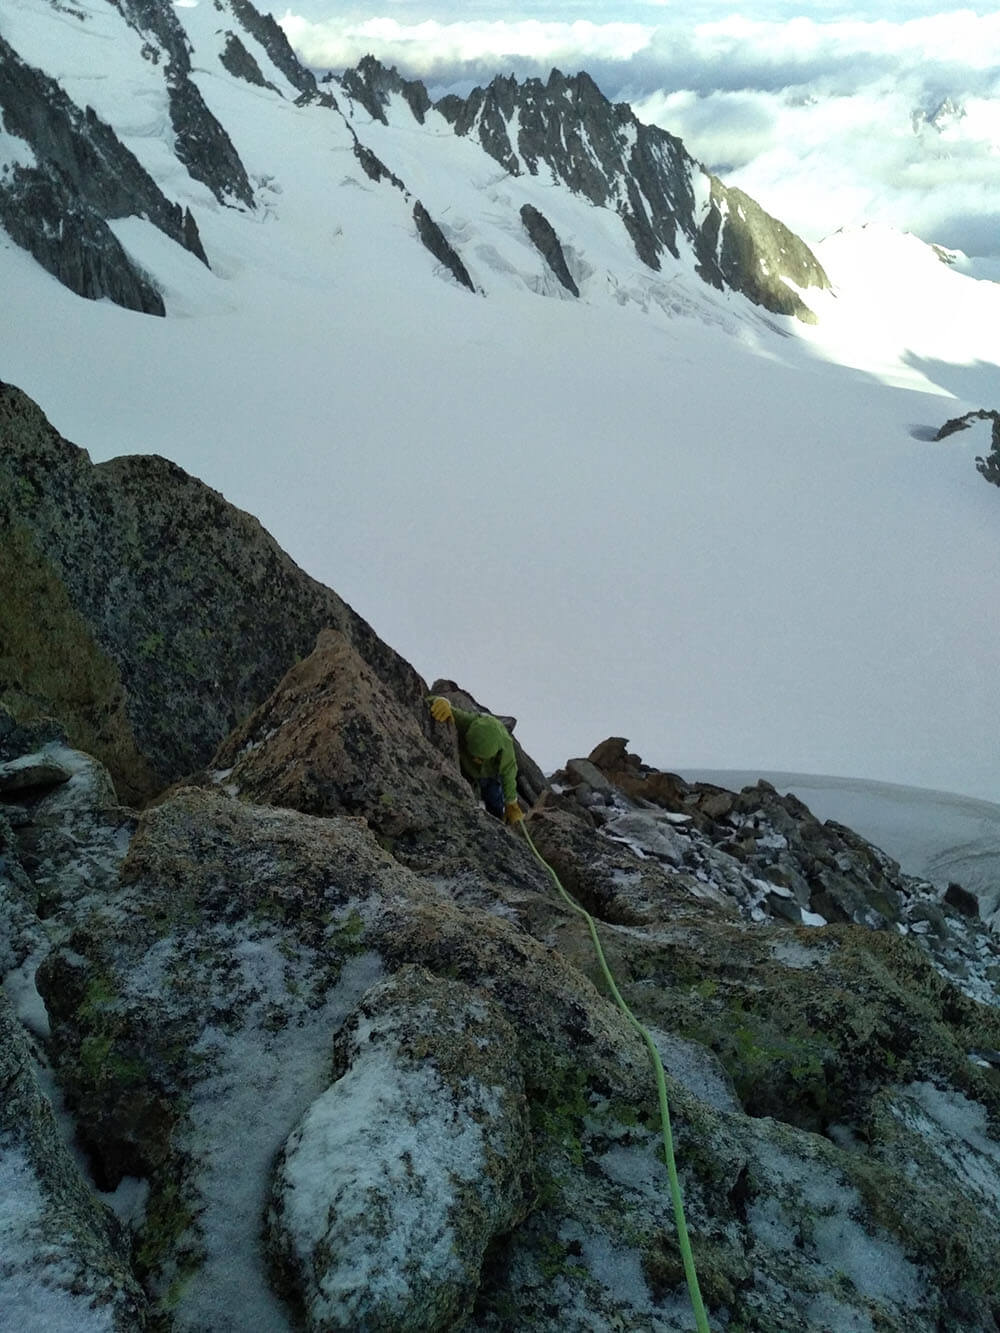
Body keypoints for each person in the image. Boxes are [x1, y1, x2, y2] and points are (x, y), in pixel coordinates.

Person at [428, 696, 524, 824]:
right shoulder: (467, 723)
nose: (476, 760)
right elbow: (447, 708)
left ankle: (497, 822)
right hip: (466, 770)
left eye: (481, 758)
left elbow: (508, 776)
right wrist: (440, 701)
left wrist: (511, 803)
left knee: (494, 799)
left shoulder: (506, 748)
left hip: (489, 776)